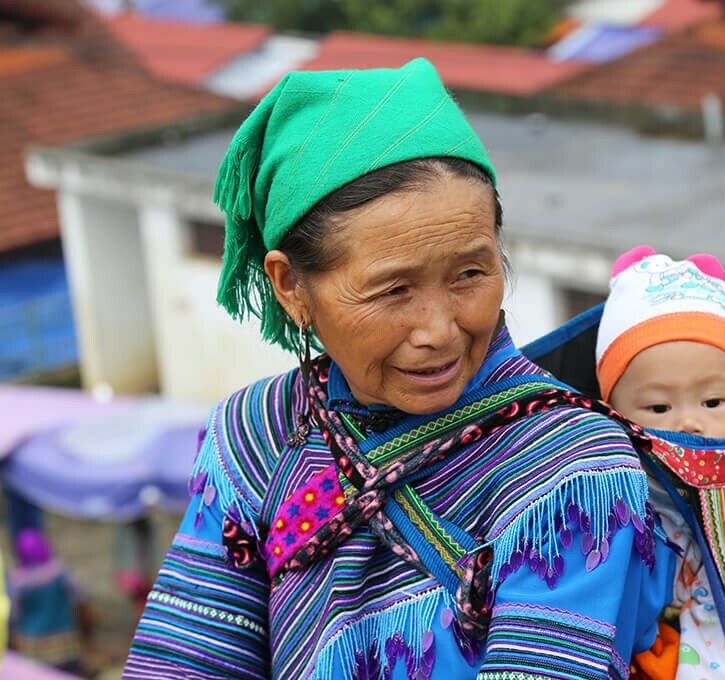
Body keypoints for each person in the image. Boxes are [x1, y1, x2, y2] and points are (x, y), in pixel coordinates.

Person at [123, 58, 677, 679]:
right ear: (290, 286)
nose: (439, 330)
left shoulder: (570, 473)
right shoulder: (257, 438)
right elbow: (187, 662)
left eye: (470, 273)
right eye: (393, 291)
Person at [596, 246, 725, 679]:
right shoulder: (600, 495)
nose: (689, 422)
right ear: (611, 415)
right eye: (659, 407)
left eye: (712, 402)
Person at [7, 528, 91, 675]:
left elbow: (14, 613)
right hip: (63, 639)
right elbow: (79, 596)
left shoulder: (17, 580)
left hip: (32, 643)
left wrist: (13, 636)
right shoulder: (58, 571)